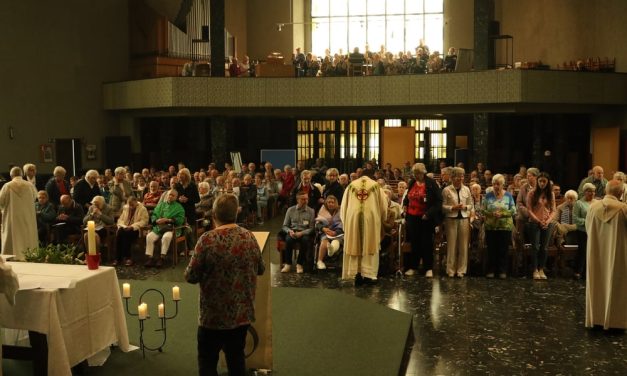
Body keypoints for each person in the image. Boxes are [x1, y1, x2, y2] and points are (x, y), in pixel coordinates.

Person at [185, 194, 265, 376]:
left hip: (213, 316)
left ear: (214, 214)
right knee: (236, 359)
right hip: (241, 314)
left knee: (207, 362)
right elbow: (260, 269)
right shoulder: (249, 237)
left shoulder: (207, 239)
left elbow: (190, 276)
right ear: (236, 213)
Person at [585, 180, 627, 330]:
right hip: (617, 254)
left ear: (606, 191)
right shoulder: (623, 209)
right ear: (621, 193)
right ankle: (615, 322)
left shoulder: (592, 207)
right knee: (616, 284)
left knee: (596, 281)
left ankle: (596, 319)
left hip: (595, 252)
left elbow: (587, 228)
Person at [341, 175, 387, 285]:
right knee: (369, 245)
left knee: (354, 245)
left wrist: (345, 222)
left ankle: (356, 274)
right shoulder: (376, 186)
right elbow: (383, 207)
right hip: (370, 220)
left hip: (353, 219)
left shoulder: (351, 186)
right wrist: (381, 219)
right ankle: (368, 275)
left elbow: (344, 206)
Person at [402, 163, 442, 278]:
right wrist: (405, 205)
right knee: (414, 243)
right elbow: (407, 197)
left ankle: (428, 268)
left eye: (417, 173)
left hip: (426, 218)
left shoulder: (431, 183)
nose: (415, 176)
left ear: (423, 172)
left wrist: (428, 214)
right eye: (414, 173)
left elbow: (438, 201)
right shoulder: (412, 182)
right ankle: (413, 267)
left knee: (426, 243)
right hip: (412, 217)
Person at [481, 174, 516, 279]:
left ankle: (502, 271)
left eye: (498, 184)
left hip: (505, 227)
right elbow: (482, 209)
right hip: (491, 226)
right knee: (491, 249)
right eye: (494, 184)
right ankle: (491, 270)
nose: (496, 186)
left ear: (503, 184)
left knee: (503, 249)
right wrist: (492, 214)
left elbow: (514, 210)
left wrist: (503, 214)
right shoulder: (488, 195)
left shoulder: (508, 195)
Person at [0, 167, 38, 260]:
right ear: (22, 174)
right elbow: (35, 197)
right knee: (27, 234)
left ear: (11, 175)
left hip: (12, 218)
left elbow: (1, 201)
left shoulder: (7, 186)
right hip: (27, 217)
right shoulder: (30, 185)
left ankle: (12, 256)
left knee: (12, 236)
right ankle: (29, 256)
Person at [441, 167, 473, 278]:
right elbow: (443, 206)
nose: (460, 178)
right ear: (452, 177)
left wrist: (465, 207)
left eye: (462, 176)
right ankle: (450, 270)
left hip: (464, 219)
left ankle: (461, 270)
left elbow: (471, 205)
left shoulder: (467, 189)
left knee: (463, 246)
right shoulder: (446, 190)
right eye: (458, 176)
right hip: (451, 219)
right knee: (451, 245)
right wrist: (452, 208)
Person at [144, 189, 186, 268]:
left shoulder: (179, 207)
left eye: (173, 195)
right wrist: (156, 220)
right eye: (169, 194)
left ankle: (162, 258)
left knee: (166, 237)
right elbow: (154, 214)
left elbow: (180, 220)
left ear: (176, 197)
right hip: (158, 227)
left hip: (171, 228)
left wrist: (168, 220)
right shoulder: (161, 205)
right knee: (149, 236)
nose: (170, 196)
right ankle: (150, 258)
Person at [526, 172, 556, 280]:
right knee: (535, 247)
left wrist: (547, 221)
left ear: (547, 182)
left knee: (544, 247)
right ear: (537, 181)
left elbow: (553, 210)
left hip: (547, 222)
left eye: (544, 181)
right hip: (534, 222)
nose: (542, 183)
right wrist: (538, 221)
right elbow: (529, 209)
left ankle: (541, 269)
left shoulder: (550, 193)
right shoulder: (532, 193)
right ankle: (535, 269)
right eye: (540, 181)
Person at [280, 190, 315, 274]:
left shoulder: (311, 211)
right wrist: (290, 231)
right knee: (288, 240)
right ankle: (288, 264)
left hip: (304, 232)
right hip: (293, 231)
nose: (305, 201)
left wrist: (302, 233)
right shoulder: (290, 210)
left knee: (305, 241)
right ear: (297, 200)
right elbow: (284, 226)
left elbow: (312, 228)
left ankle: (299, 264)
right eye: (303, 199)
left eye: (306, 199)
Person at [115, 196, 149, 266]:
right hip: (126, 227)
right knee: (119, 233)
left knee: (126, 234)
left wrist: (132, 226)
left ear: (136, 202)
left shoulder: (142, 209)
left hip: (136, 229)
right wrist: (122, 225)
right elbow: (120, 219)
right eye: (129, 205)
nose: (131, 207)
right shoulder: (125, 208)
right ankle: (118, 258)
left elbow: (144, 221)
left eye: (132, 205)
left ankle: (128, 257)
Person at [573, 183, 595, 280]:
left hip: (594, 231)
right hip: (582, 231)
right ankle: (578, 271)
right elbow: (575, 219)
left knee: (593, 252)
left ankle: (589, 272)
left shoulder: (597, 202)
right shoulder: (579, 203)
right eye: (589, 191)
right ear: (585, 192)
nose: (592, 193)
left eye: (593, 191)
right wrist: (587, 221)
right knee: (583, 251)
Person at [314, 195, 343, 270]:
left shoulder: (341, 210)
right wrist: (323, 229)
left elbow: (343, 223)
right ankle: (319, 261)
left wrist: (335, 232)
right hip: (325, 231)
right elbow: (318, 223)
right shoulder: (322, 209)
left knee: (337, 240)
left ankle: (332, 249)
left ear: (335, 203)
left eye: (332, 202)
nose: (330, 204)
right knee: (324, 240)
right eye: (329, 202)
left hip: (338, 231)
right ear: (326, 203)